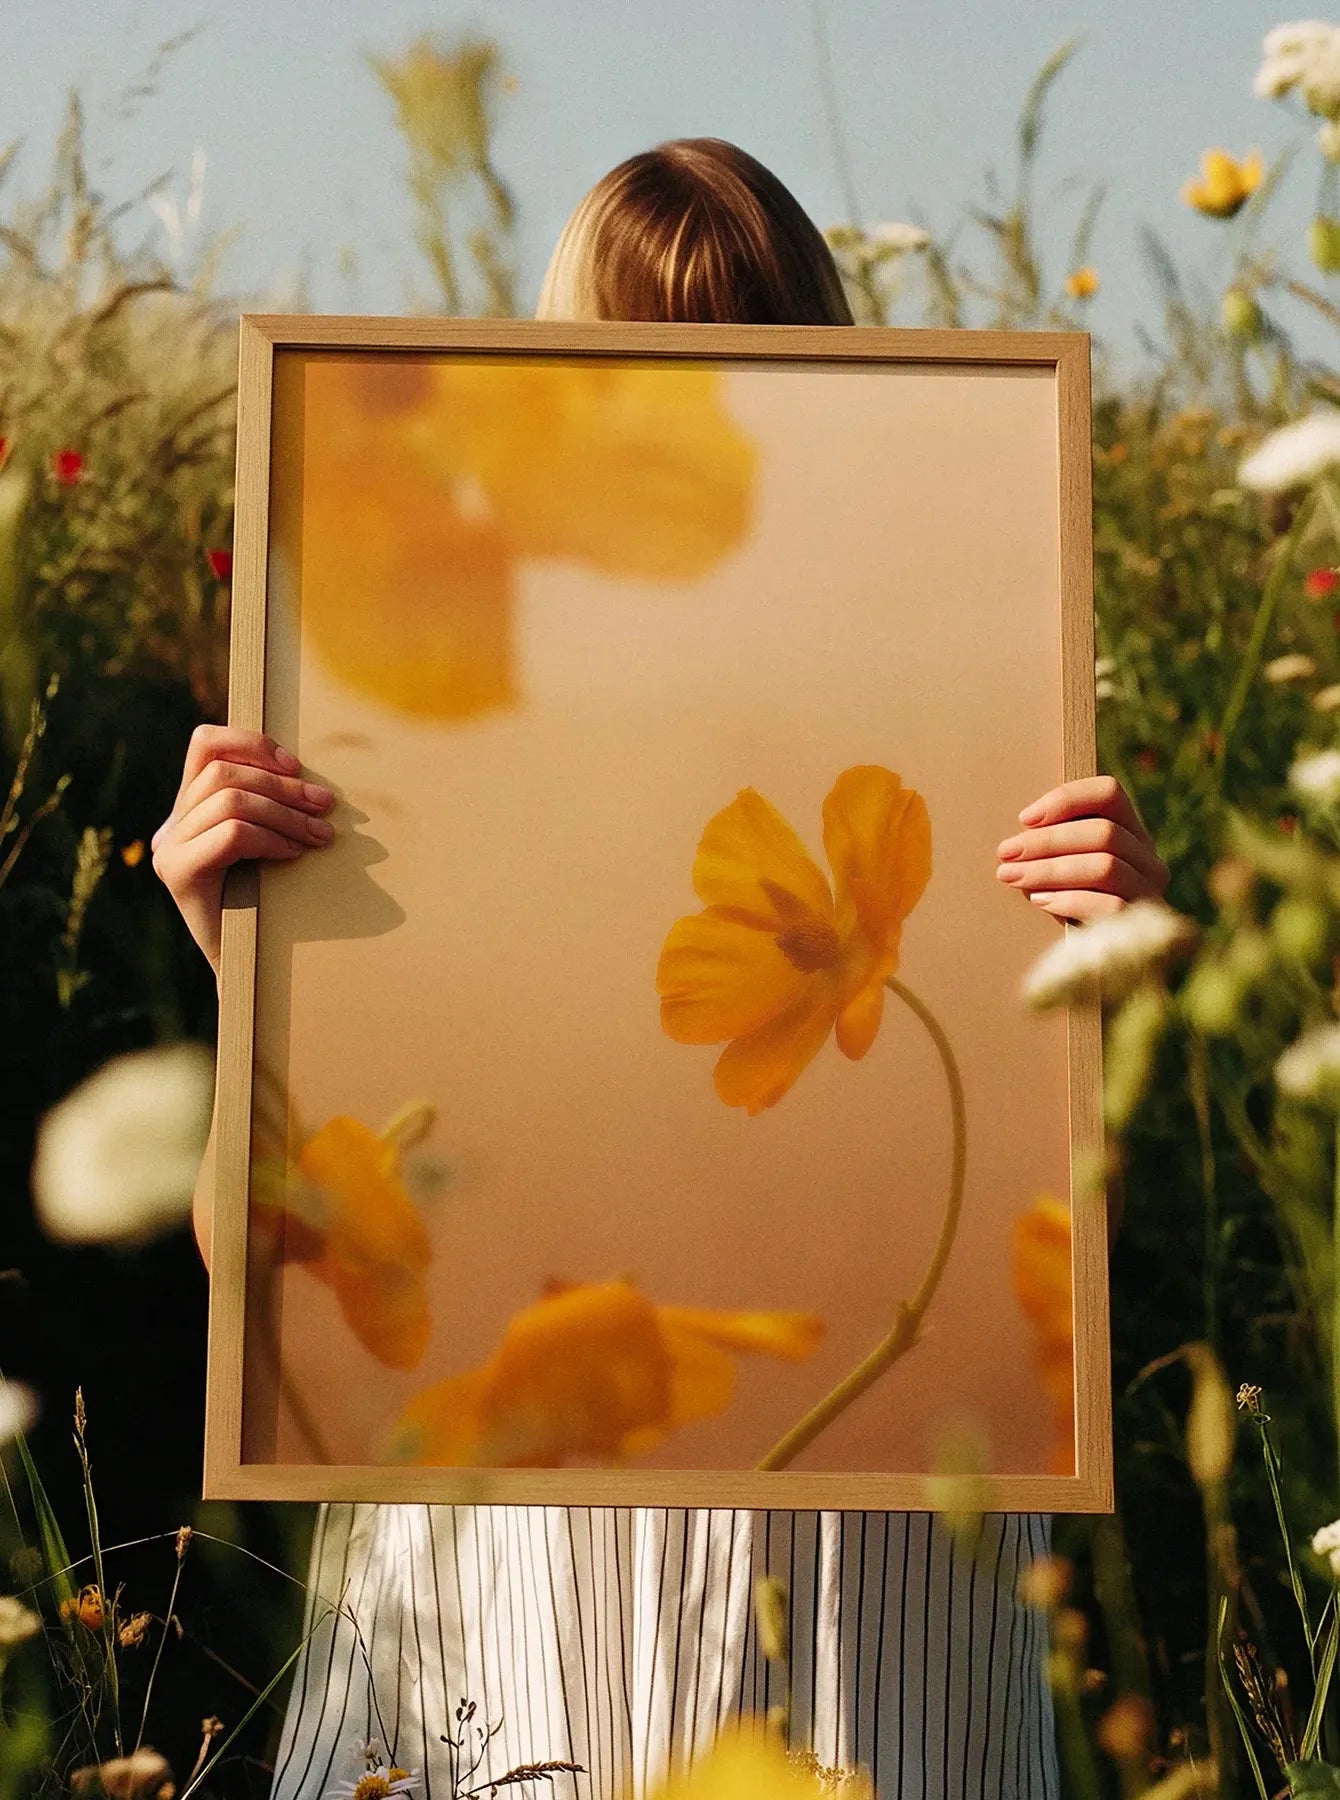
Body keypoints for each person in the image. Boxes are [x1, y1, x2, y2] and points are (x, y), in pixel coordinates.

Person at [155, 139, 1170, 1800]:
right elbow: (251, 1272)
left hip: (861, 1559)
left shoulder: (967, 676)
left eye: (752, 352)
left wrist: (1095, 991)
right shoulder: (411, 723)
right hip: (513, 1554)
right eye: (636, 362)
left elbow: (1050, 1274)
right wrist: (253, 974)